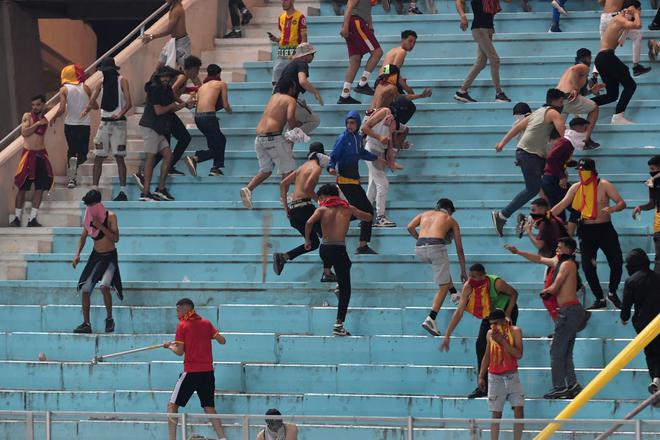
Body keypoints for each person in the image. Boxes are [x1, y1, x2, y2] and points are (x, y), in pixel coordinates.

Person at [505, 237, 588, 399]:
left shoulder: (567, 264)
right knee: (565, 352)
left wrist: (546, 291)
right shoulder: (560, 262)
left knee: (556, 351)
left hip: (568, 311)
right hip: (570, 311)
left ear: (570, 250)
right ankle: (572, 385)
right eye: (557, 247)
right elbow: (539, 258)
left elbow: (556, 285)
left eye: (561, 248)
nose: (557, 250)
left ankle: (560, 387)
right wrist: (518, 252)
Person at [551, 158, 626, 309]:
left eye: (584, 171)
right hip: (586, 230)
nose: (582, 174)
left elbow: (621, 203)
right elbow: (561, 205)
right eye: (579, 171)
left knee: (616, 261)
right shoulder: (576, 188)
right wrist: (543, 217)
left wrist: (612, 209)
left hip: (605, 228)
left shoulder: (604, 185)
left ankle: (612, 292)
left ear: (592, 171)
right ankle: (599, 298)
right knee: (588, 267)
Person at [491, 88, 567, 236]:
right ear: (555, 101)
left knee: (546, 185)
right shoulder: (553, 112)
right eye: (561, 101)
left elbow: (517, 128)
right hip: (530, 154)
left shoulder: (538, 112)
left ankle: (532, 219)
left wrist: (502, 143)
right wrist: (569, 148)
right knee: (534, 189)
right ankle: (503, 215)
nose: (562, 104)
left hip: (531, 155)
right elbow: (565, 134)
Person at [441, 265, 519, 399]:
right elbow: (459, 311)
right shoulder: (468, 286)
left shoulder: (497, 283)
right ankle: (483, 386)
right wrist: (447, 334)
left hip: (506, 310)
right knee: (480, 345)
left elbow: (514, 294)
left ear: (484, 276)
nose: (471, 279)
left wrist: (507, 314)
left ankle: (507, 387)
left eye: (475, 277)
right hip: (489, 313)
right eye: (470, 276)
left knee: (502, 347)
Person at [304, 184, 373, 336]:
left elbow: (309, 223)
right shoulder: (348, 209)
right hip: (338, 249)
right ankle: (338, 325)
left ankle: (328, 273)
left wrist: (307, 240)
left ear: (326, 197)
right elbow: (368, 216)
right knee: (346, 289)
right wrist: (363, 214)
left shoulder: (321, 210)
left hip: (325, 249)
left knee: (346, 263)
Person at [164, 298, 228, 440]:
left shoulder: (182, 325)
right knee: (209, 407)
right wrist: (207, 336)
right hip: (208, 373)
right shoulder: (206, 323)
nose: (176, 313)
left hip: (191, 372)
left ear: (185, 309)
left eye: (178, 310)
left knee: (172, 406)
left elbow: (179, 351)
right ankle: (223, 438)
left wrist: (169, 346)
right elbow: (222, 340)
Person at [274, 142, 335, 281]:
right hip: (305, 208)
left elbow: (283, 184)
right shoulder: (316, 168)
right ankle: (327, 273)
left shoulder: (302, 167)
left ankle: (284, 257)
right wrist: (321, 202)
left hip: (294, 212)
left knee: (313, 243)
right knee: (330, 238)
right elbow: (308, 189)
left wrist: (286, 207)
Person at [407, 198, 468, 337]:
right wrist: (463, 271)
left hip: (419, 249)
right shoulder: (450, 220)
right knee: (443, 285)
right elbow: (460, 249)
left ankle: (454, 293)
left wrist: (419, 239)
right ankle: (431, 318)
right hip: (436, 247)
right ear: (449, 209)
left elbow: (409, 227)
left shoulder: (424, 214)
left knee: (442, 266)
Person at [240, 78, 301, 209]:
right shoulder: (290, 100)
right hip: (273, 138)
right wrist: (297, 127)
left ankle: (248, 189)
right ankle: (283, 197)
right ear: (290, 88)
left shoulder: (273, 97)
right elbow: (290, 118)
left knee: (266, 170)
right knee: (289, 169)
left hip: (259, 138)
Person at [328, 111, 380, 254]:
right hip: (345, 181)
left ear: (357, 124)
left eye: (353, 123)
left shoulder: (357, 137)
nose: (350, 125)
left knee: (362, 211)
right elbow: (333, 156)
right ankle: (362, 245)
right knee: (367, 211)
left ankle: (334, 221)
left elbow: (362, 153)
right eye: (348, 123)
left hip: (354, 181)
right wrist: (331, 168)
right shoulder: (343, 138)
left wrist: (377, 158)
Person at [72, 190, 122, 334]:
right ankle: (86, 323)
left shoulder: (111, 216)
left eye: (91, 204)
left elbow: (115, 238)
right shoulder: (89, 216)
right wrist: (77, 254)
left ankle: (110, 319)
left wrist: (100, 226)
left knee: (104, 287)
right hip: (96, 256)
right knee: (86, 289)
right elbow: (83, 235)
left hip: (109, 257)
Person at [83, 57, 132, 201]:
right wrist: (87, 108)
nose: (105, 74)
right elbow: (93, 100)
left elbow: (129, 103)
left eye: (107, 71)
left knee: (119, 156)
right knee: (98, 156)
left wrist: (120, 114)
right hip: (104, 122)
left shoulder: (122, 81)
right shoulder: (101, 83)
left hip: (118, 124)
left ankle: (123, 192)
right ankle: (94, 190)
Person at [361, 97, 415, 227]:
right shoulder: (384, 112)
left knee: (373, 186)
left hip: (380, 151)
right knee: (383, 183)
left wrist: (399, 148)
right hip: (371, 149)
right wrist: (379, 137)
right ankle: (380, 216)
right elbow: (365, 128)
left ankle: (366, 218)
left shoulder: (394, 122)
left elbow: (391, 142)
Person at [137, 66, 185, 201]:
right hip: (150, 127)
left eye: (169, 76)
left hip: (159, 129)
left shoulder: (166, 89)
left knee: (168, 156)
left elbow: (171, 108)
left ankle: (160, 189)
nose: (167, 79)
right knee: (151, 159)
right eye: (164, 76)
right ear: (159, 77)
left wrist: (185, 104)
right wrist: (172, 106)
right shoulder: (154, 89)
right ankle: (145, 193)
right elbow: (159, 111)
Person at [592, 0, 643, 125]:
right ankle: (618, 116)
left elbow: (632, 32)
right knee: (631, 85)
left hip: (603, 59)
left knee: (612, 95)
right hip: (606, 57)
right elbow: (638, 25)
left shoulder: (620, 20)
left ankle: (583, 104)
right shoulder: (619, 19)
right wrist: (636, 12)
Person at [478, 309, 524, 440]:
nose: (494, 326)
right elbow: (487, 355)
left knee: (519, 410)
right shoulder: (489, 334)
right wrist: (481, 375)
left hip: (512, 375)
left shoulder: (515, 331)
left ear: (504, 321)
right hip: (495, 377)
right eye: (491, 324)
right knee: (496, 413)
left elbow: (519, 354)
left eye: (497, 323)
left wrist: (502, 342)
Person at [620, 249, 660, 400]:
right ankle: (657, 380)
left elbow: (626, 306)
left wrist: (624, 318)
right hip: (658, 321)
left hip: (643, 324)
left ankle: (655, 382)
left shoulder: (631, 281)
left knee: (650, 353)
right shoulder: (657, 277)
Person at [453, 0, 510, 103]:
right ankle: (499, 93)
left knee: (481, 62)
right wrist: (462, 16)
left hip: (487, 28)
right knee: (495, 60)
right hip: (479, 28)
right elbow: (458, 1)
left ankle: (462, 91)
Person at [10, 95, 54, 228]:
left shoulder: (45, 119)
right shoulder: (27, 116)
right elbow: (24, 132)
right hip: (29, 155)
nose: (35, 107)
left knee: (39, 188)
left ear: (43, 105)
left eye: (38, 105)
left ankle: (32, 219)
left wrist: (43, 118)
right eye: (33, 105)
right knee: (22, 188)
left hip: (40, 155)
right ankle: (16, 218)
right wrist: (37, 124)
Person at [184, 64, 233, 177]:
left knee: (217, 142)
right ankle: (197, 158)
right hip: (209, 117)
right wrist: (230, 111)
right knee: (220, 143)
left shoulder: (202, 87)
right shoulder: (221, 84)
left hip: (198, 118)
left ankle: (215, 169)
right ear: (218, 74)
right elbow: (225, 105)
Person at [540, 117, 590, 224]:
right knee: (573, 208)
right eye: (585, 128)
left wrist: (571, 163)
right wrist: (561, 176)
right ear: (578, 128)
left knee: (560, 212)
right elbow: (551, 158)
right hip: (553, 179)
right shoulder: (566, 142)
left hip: (551, 179)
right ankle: (536, 222)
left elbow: (558, 159)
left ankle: (560, 236)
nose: (586, 132)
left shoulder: (568, 142)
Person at [50, 64, 92, 189]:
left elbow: (62, 109)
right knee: (83, 152)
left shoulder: (64, 89)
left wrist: (54, 117)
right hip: (85, 124)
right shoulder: (86, 88)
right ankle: (79, 174)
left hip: (70, 125)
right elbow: (93, 105)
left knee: (72, 151)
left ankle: (72, 178)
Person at [337, 0, 383, 104]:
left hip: (356, 22)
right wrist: (345, 26)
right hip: (356, 22)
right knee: (377, 52)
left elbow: (368, 10)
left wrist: (370, 25)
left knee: (355, 60)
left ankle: (344, 95)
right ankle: (363, 83)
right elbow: (349, 6)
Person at [275, 42, 323, 136]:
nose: (313, 57)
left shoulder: (291, 65)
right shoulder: (302, 63)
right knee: (314, 120)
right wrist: (315, 92)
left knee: (289, 128)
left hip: (277, 101)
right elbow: (303, 81)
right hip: (288, 100)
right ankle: (288, 139)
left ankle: (286, 144)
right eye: (312, 54)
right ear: (306, 55)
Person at [556, 52, 602, 149]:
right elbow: (574, 70)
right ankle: (586, 140)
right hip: (568, 97)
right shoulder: (582, 67)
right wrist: (576, 89)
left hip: (558, 101)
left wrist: (592, 91)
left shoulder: (573, 74)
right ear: (588, 58)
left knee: (557, 132)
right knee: (594, 108)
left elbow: (582, 93)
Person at [597, 0, 650, 77]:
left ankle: (595, 76)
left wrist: (610, 9)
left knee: (604, 48)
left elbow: (600, 1)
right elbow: (632, 5)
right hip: (615, 16)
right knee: (637, 36)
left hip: (604, 16)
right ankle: (636, 66)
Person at [142, 0, 191, 69]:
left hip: (182, 43)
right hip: (173, 42)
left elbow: (169, 30)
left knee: (188, 69)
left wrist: (151, 36)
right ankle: (155, 79)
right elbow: (169, 28)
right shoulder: (173, 8)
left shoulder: (177, 10)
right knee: (159, 67)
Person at [268, 0, 307, 85]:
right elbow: (284, 36)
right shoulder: (281, 17)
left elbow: (304, 39)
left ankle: (296, 97)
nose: (282, 2)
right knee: (276, 73)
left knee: (291, 78)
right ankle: (276, 94)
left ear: (292, 1)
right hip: (282, 52)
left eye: (285, 0)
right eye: (281, 0)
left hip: (294, 52)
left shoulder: (300, 17)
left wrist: (300, 54)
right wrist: (276, 39)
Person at [632, 155, 660, 273]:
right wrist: (640, 207)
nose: (651, 172)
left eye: (653, 169)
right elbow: (652, 204)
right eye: (650, 169)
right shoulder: (651, 183)